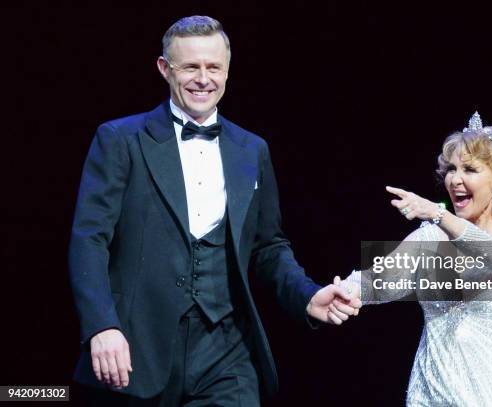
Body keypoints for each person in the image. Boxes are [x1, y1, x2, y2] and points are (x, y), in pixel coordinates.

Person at [69, 15, 360, 406]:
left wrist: (306, 296)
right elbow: (90, 240)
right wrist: (102, 326)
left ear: (226, 70)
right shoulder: (121, 139)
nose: (202, 78)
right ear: (164, 69)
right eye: (190, 66)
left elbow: (268, 246)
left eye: (213, 67)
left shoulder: (251, 149)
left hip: (226, 350)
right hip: (140, 348)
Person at [338, 112, 492, 406]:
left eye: (469, 170)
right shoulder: (430, 239)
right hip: (432, 388)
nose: (455, 179)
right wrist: (340, 291)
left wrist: (439, 214)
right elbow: (381, 282)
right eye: (451, 169)